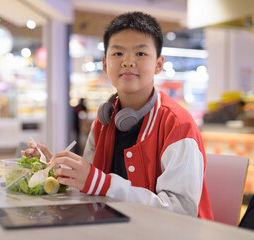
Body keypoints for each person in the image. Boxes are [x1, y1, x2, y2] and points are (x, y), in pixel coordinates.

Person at [22, 11, 213, 220]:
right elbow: (90, 185)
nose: (128, 62)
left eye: (140, 54)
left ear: (158, 64)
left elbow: (181, 211)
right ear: (105, 64)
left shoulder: (177, 125)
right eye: (118, 53)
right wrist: (55, 170)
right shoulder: (104, 120)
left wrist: (100, 182)